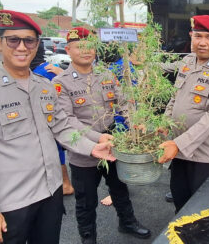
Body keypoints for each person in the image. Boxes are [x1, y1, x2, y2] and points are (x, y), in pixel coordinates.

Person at [0, 10, 115, 244]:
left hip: (50, 195)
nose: (22, 47)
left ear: (37, 44)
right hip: (11, 203)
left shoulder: (44, 88)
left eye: (28, 40)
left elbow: (62, 127)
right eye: (13, 40)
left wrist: (92, 147)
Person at [52, 27, 150, 244]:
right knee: (85, 200)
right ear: (68, 50)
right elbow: (67, 120)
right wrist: (98, 139)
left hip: (113, 142)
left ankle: (127, 222)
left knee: (119, 187)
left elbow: (124, 102)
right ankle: (88, 237)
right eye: (80, 47)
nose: (86, 51)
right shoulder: (61, 83)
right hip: (83, 149)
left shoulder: (106, 74)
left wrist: (135, 121)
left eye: (90, 46)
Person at [158, 15, 209, 212]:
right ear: (191, 36)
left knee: (201, 211)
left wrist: (178, 144)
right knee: (180, 200)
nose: (202, 42)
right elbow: (175, 97)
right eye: (198, 36)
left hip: (203, 156)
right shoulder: (187, 61)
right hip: (178, 150)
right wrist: (165, 123)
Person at [29, 41, 73, 196]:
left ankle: (65, 184)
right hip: (47, 118)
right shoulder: (39, 69)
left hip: (50, 119)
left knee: (55, 150)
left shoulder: (44, 71)